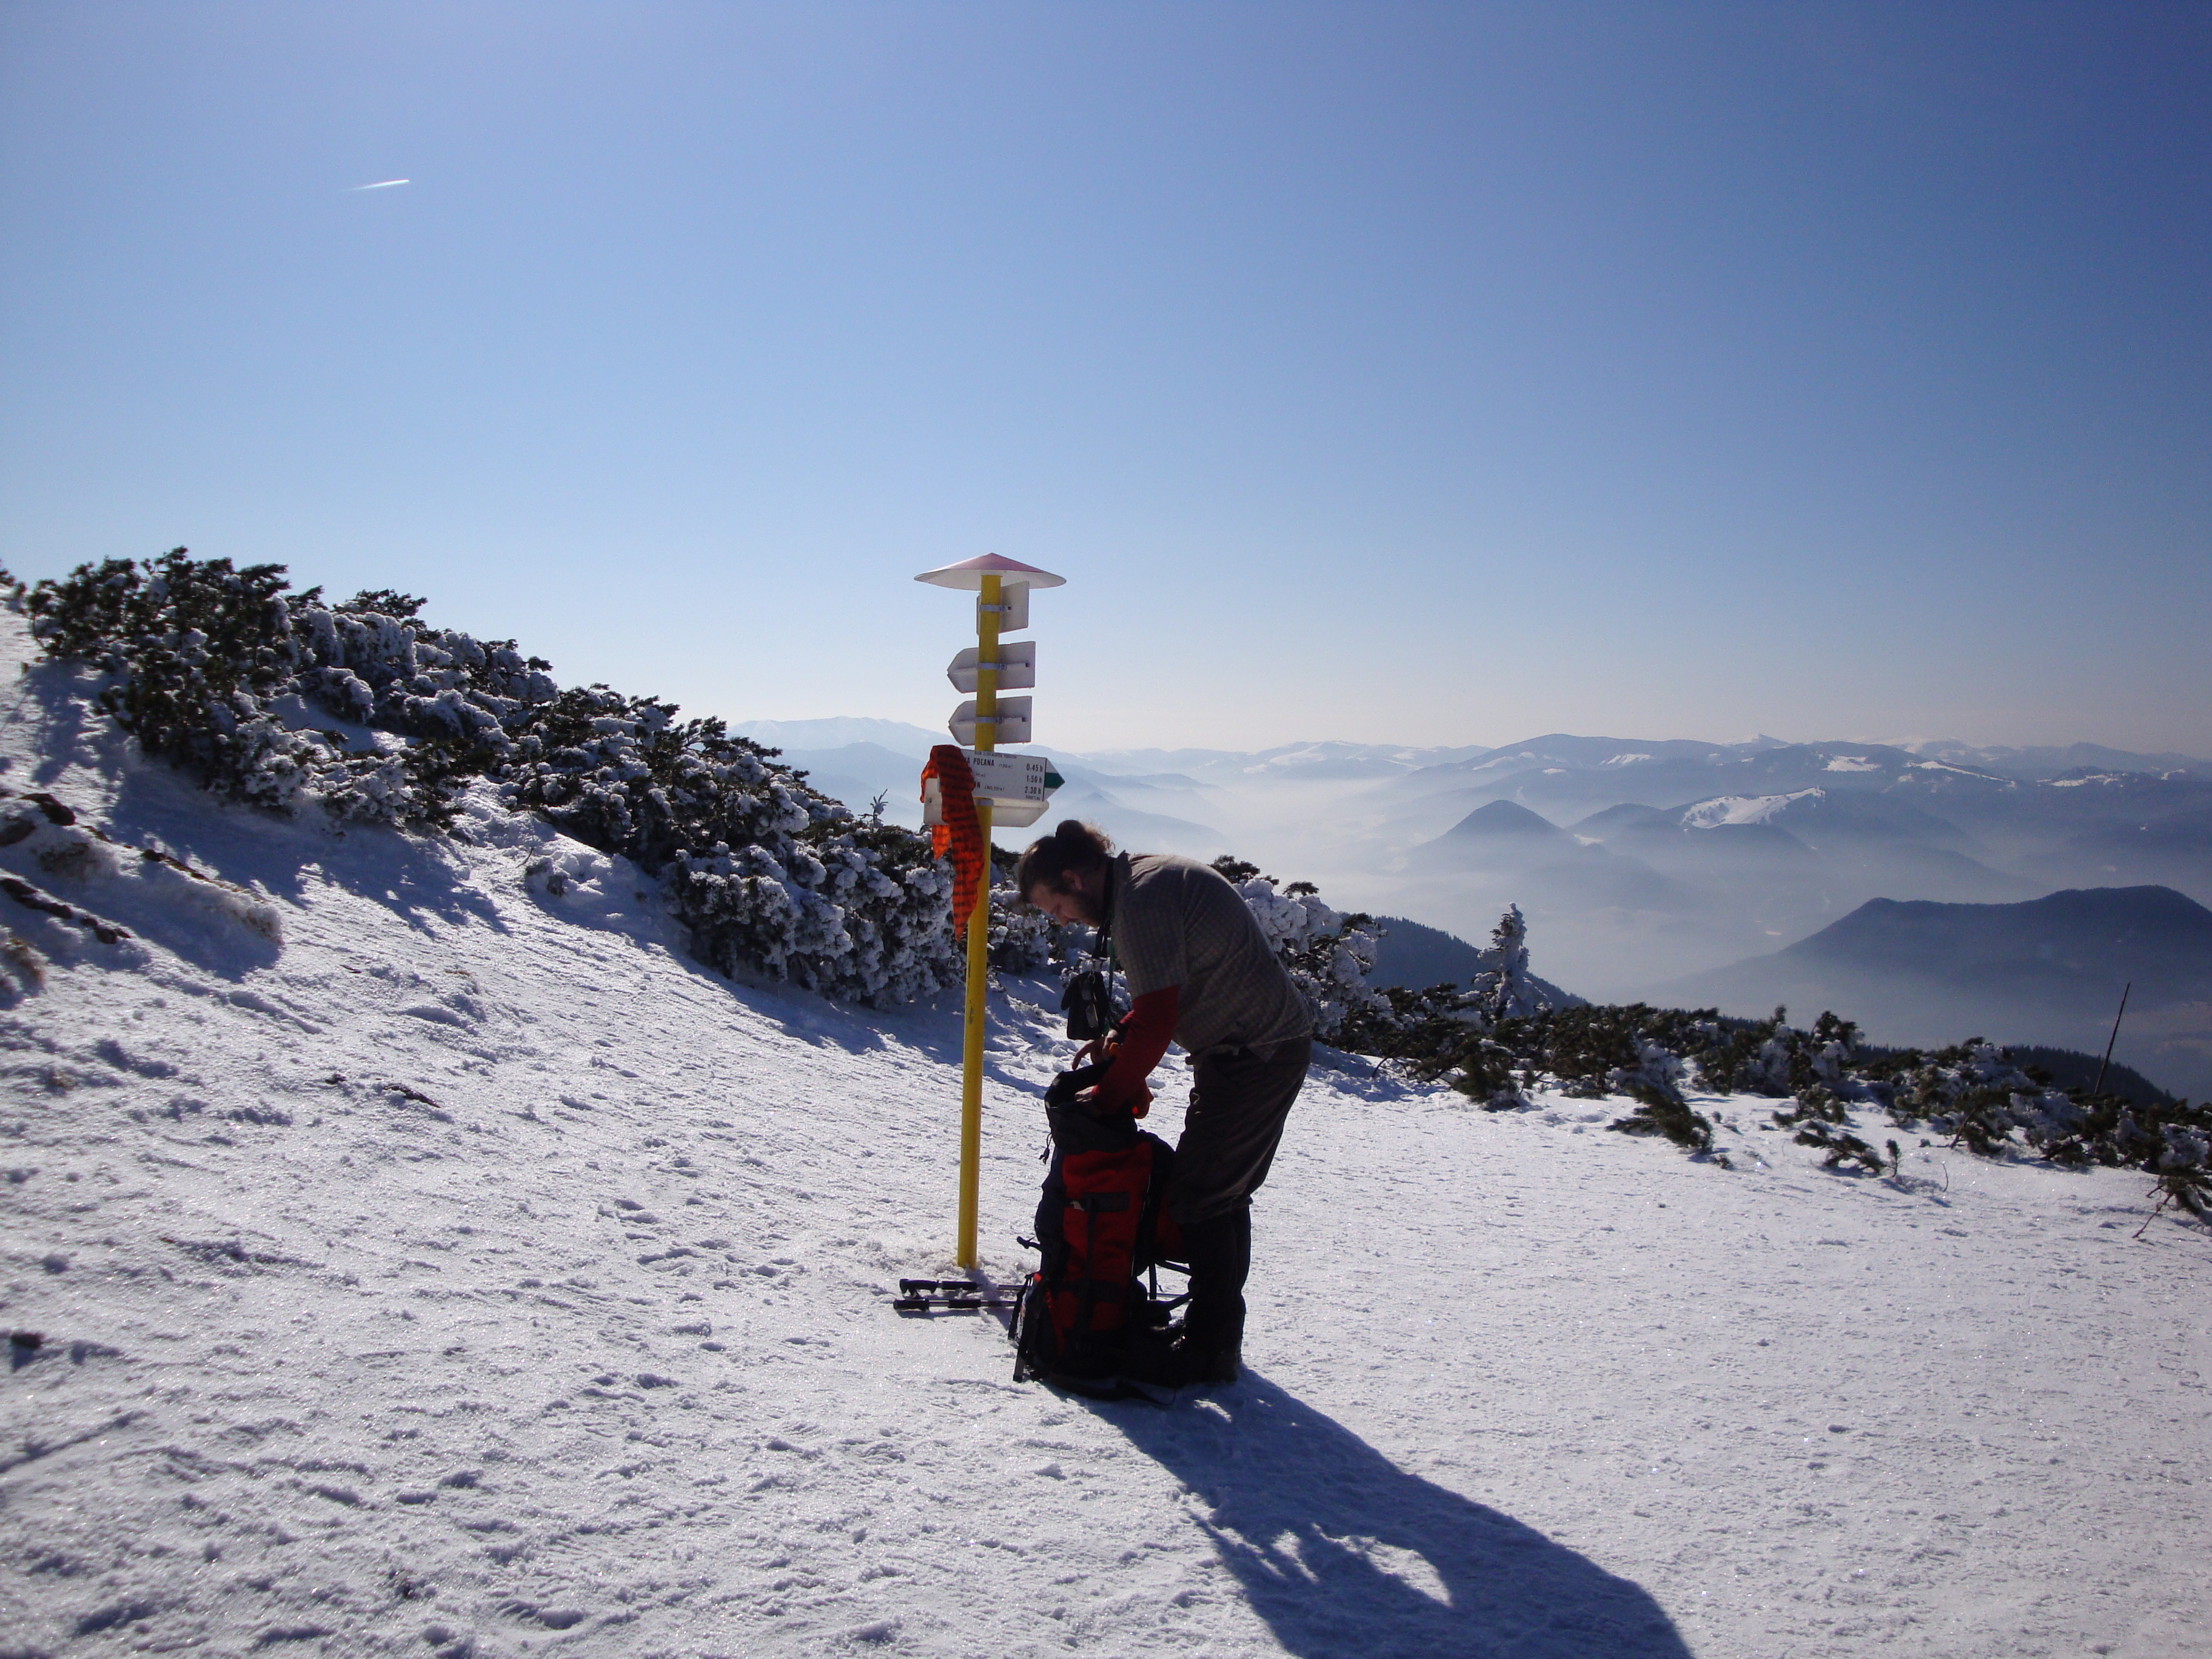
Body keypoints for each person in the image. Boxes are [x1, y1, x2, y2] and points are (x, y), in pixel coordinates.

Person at [1017, 820, 1313, 1386]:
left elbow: (1158, 1023)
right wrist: (1121, 1038)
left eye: (1056, 906)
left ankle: (1209, 1350)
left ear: (1074, 879)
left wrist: (1105, 1100)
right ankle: (1215, 1337)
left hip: (1255, 1054)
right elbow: (1165, 992)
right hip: (1255, 1049)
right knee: (1219, 1192)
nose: (1063, 920)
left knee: (1200, 1196)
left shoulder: (1140, 905)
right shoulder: (1141, 881)